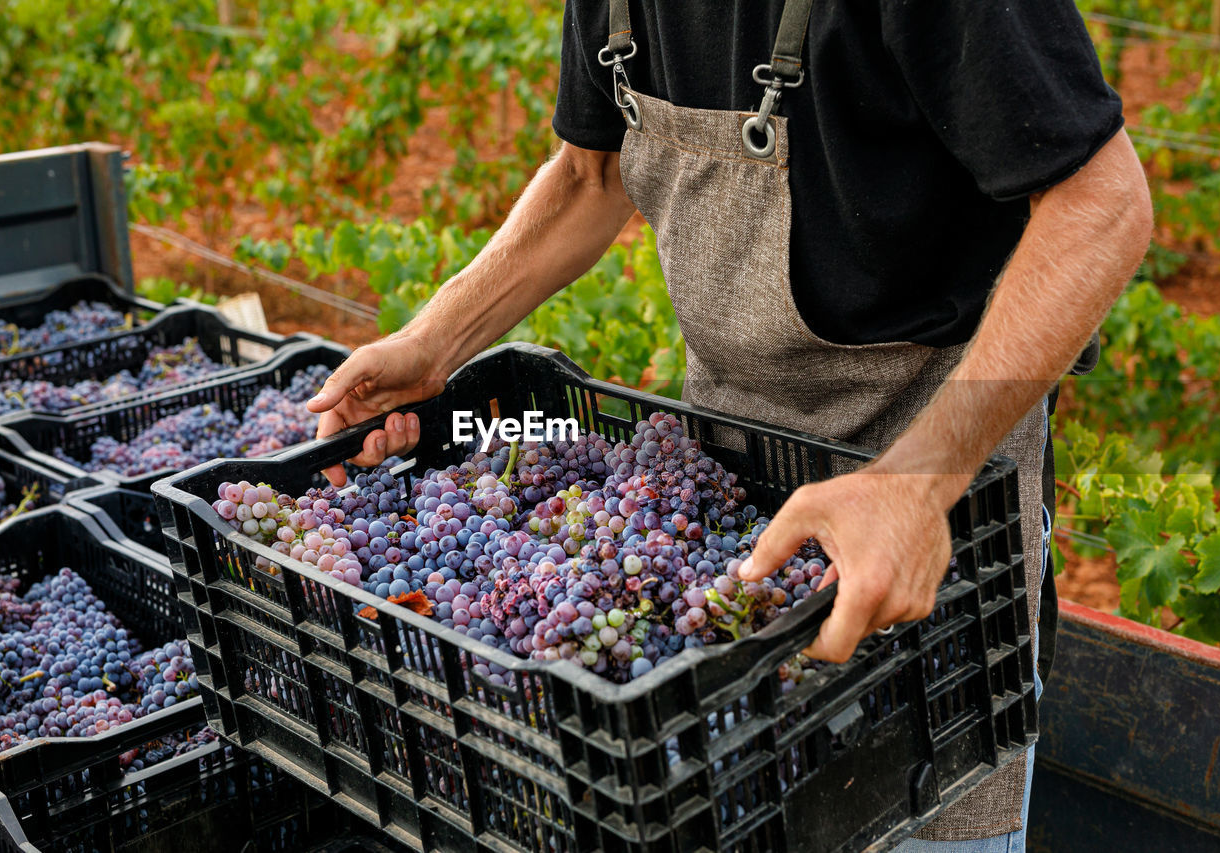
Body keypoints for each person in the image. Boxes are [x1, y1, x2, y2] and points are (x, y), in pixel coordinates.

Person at [306, 0, 1152, 846]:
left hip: (932, 487)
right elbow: (589, 175)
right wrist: (433, 341)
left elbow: (1101, 203)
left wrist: (917, 480)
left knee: (913, 804)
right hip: (731, 489)